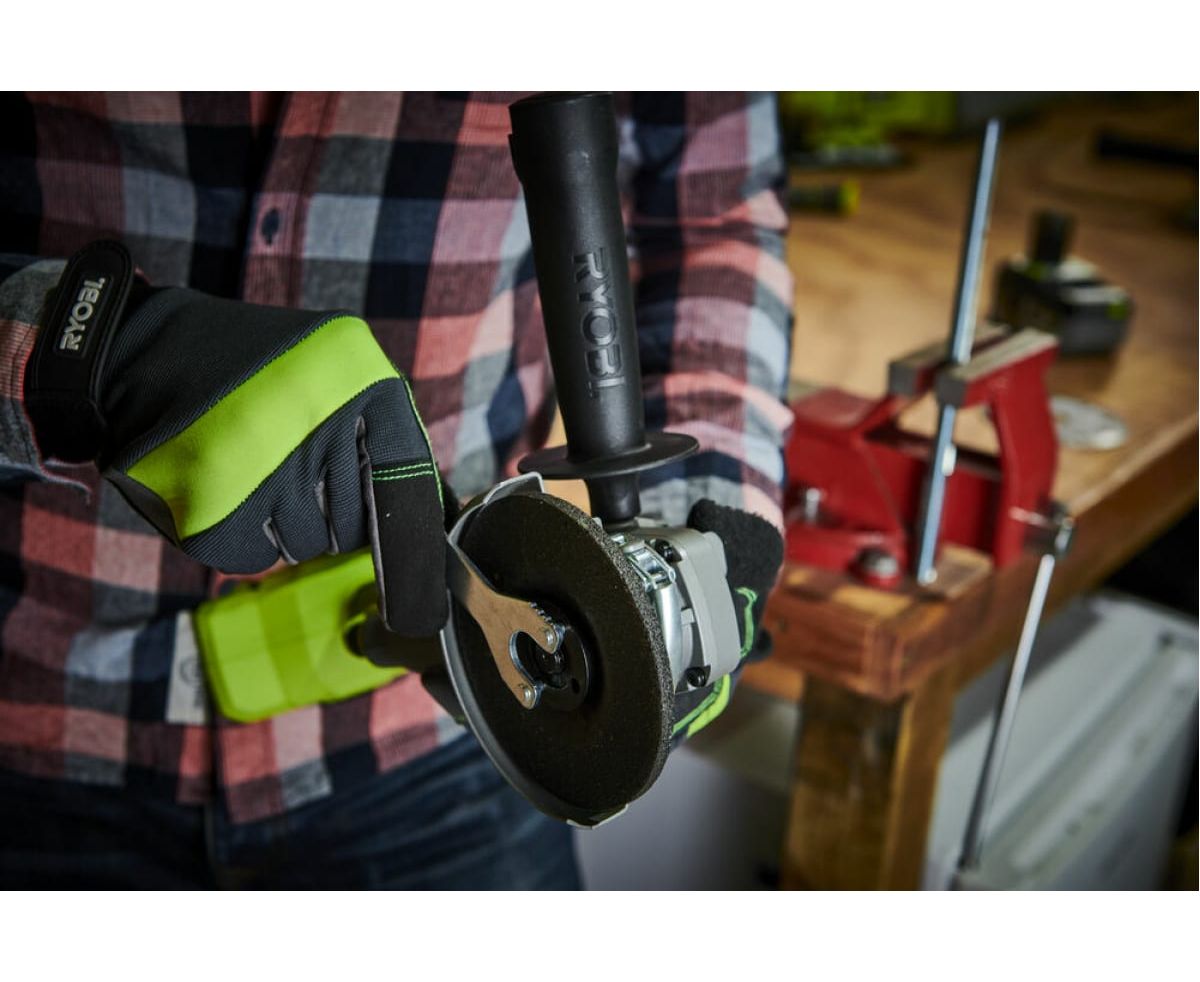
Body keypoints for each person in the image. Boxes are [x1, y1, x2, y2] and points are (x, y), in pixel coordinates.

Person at [0, 91, 795, 888]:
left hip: (449, 746)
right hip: (48, 722)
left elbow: (714, 219)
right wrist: (78, 350)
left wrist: (711, 521)